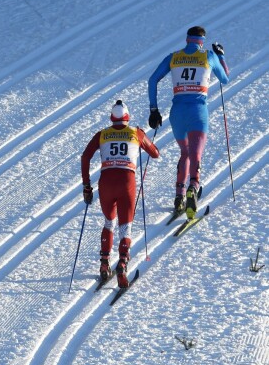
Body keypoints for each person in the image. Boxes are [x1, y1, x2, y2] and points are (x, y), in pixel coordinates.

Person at [147, 26, 230, 219]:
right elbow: (225, 79)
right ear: (202, 41)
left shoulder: (174, 57)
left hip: (177, 114)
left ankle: (179, 196)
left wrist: (154, 109)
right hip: (197, 112)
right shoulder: (209, 56)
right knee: (196, 153)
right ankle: (193, 186)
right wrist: (221, 56)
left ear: (187, 40)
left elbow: (152, 80)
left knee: (184, 152)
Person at [81, 100, 160, 288]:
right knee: (126, 227)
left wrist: (86, 186)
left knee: (109, 222)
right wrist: (144, 135)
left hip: (106, 182)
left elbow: (85, 157)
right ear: (127, 117)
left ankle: (104, 263)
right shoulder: (136, 133)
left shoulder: (102, 134)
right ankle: (122, 264)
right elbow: (155, 153)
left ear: (112, 117)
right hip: (126, 182)